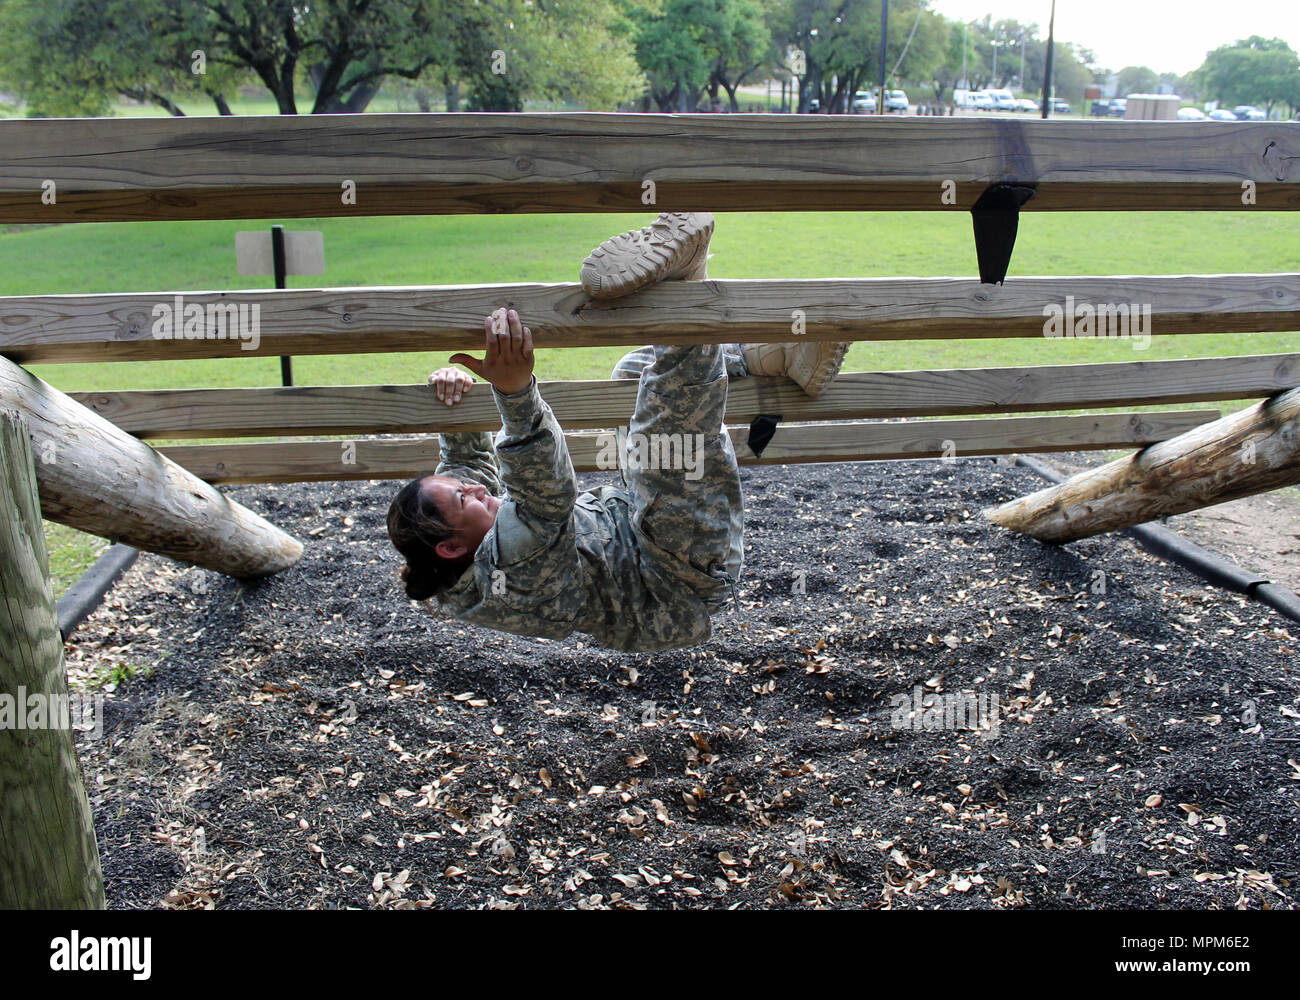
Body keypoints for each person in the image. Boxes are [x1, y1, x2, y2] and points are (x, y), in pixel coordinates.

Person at [386, 213, 851, 651]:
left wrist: (452, 397)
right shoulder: (512, 569)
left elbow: (466, 470)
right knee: (662, 442)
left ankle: (776, 359)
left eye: (463, 488)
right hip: (677, 575)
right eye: (465, 498)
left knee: (633, 373)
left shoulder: (452, 557)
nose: (475, 488)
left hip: (635, 525)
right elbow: (545, 495)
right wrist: (515, 391)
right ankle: (689, 279)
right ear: (450, 546)